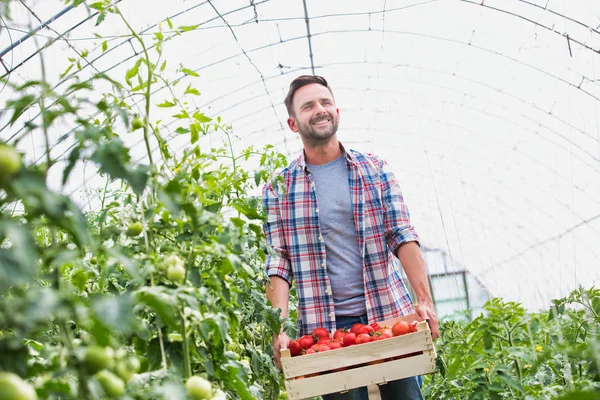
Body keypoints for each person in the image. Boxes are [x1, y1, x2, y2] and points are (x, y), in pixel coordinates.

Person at [262, 75, 439, 400]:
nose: (319, 110)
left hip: (389, 317)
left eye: (325, 102)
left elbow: (402, 235)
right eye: (308, 106)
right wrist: (280, 329)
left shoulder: (375, 170)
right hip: (324, 328)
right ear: (292, 123)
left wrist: (424, 299)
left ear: (337, 111)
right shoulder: (279, 189)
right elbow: (279, 263)